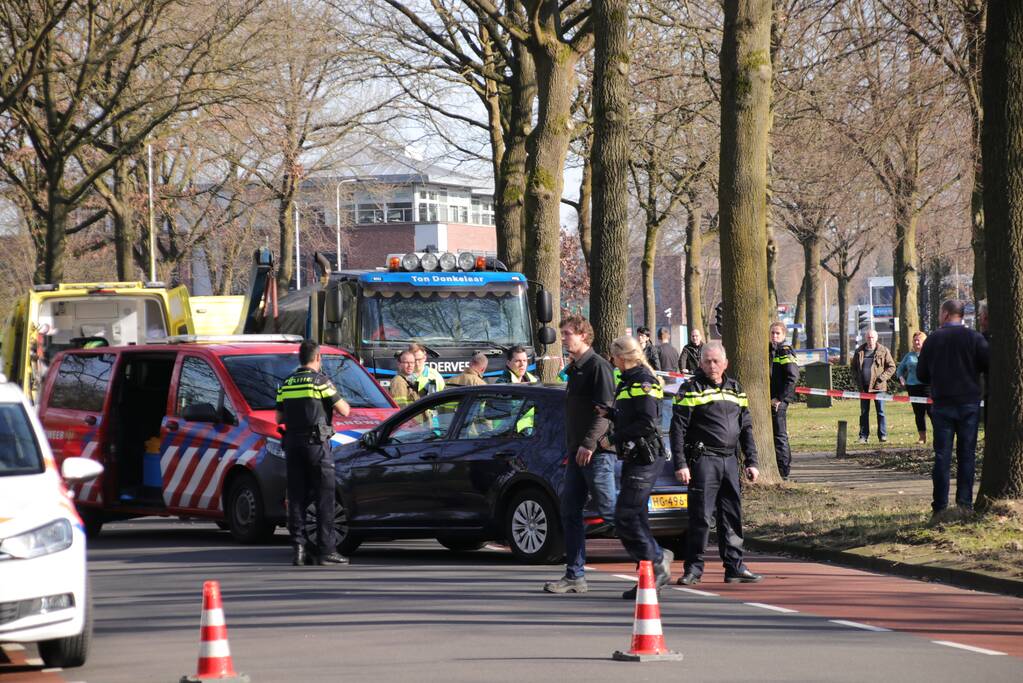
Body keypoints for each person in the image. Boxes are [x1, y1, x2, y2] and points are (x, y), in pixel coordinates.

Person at [670, 341, 762, 585]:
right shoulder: (691, 389)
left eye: (716, 361)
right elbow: (677, 429)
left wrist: (751, 461)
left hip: (730, 460)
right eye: (707, 361)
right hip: (704, 460)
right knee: (700, 517)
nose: (712, 366)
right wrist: (681, 464)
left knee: (731, 515)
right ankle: (693, 570)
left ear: (725, 364)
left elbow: (746, 428)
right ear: (700, 364)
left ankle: (734, 566)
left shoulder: (736, 390)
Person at [543, 315, 617, 594]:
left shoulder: (598, 367)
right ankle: (575, 574)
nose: (562, 338)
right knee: (569, 511)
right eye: (562, 334)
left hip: (596, 453)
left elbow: (605, 414)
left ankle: (655, 556)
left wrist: (588, 443)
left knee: (609, 510)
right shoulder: (575, 369)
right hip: (576, 453)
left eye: (567, 334)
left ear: (584, 335)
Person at [596, 335, 672, 599]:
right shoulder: (630, 380)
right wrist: (611, 414)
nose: (613, 362)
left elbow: (648, 423)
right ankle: (648, 573)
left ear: (623, 356)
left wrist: (612, 437)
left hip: (645, 457)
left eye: (614, 357)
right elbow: (633, 414)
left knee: (625, 515)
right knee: (636, 515)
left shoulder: (643, 381)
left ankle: (657, 558)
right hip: (634, 456)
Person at [275, 340, 351, 566]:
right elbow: (345, 410)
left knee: (297, 497)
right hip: (316, 445)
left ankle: (299, 550)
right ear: (318, 358)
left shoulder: (287, 383)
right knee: (324, 496)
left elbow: (279, 418)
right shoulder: (321, 381)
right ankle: (327, 550)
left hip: (292, 444)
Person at [917, 300, 989, 517]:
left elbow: (921, 374)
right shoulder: (974, 338)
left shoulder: (932, 340)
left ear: (946, 314)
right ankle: (964, 503)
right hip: (968, 403)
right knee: (967, 454)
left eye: (940, 313)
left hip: (942, 404)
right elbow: (988, 364)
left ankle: (939, 506)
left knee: (942, 456)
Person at [850, 329, 896, 443]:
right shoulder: (859, 351)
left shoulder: (883, 350)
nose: (870, 339)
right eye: (868, 337)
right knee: (864, 413)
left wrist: (881, 378)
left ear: (876, 338)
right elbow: (853, 368)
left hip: (878, 387)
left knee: (880, 412)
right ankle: (863, 436)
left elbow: (891, 367)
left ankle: (882, 436)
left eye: (872, 337)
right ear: (866, 338)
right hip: (863, 388)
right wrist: (857, 379)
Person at [768, 322, 799, 479]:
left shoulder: (784, 350)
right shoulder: (771, 350)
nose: (774, 336)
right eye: (772, 333)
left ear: (784, 335)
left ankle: (783, 471)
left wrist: (780, 398)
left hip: (778, 401)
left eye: (777, 333)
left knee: (780, 435)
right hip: (771, 398)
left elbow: (792, 377)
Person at [897, 331, 931, 444]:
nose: (916, 342)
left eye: (919, 340)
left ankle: (939, 436)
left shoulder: (929, 355)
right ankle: (922, 437)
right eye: (915, 340)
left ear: (924, 341)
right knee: (918, 413)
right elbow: (900, 369)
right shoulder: (909, 356)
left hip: (928, 387)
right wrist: (901, 378)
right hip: (913, 387)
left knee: (932, 412)